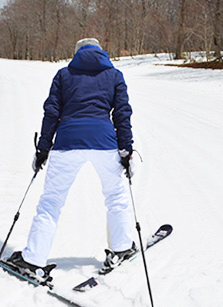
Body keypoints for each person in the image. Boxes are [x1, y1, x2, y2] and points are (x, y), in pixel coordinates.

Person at [7, 38, 137, 282]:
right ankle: (121, 248)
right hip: (104, 141)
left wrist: (43, 148)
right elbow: (122, 114)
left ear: (77, 53)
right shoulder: (114, 75)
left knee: (51, 202)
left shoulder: (63, 75)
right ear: (100, 52)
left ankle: (33, 259)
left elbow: (51, 112)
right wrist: (126, 149)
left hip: (67, 141)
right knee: (116, 196)